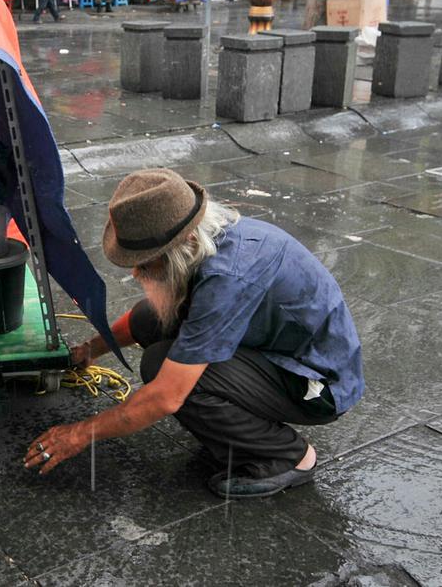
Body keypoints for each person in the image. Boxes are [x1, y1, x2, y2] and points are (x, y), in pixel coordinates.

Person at [23, 169, 364, 499]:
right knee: (149, 317)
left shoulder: (225, 281)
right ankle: (237, 427)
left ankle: (287, 456)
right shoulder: (209, 238)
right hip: (279, 348)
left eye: (145, 263)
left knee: (162, 368)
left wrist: (80, 433)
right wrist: (91, 349)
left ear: (183, 242)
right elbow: (144, 319)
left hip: (317, 383)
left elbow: (166, 397)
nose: (137, 272)